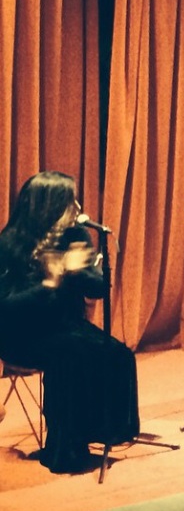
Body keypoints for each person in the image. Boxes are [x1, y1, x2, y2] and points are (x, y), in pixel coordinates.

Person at [0, 171, 140, 474]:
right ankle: (65, 448)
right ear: (47, 206)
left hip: (64, 325)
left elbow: (98, 289)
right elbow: (7, 306)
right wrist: (51, 281)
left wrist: (79, 270)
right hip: (21, 333)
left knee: (118, 354)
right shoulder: (9, 244)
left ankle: (103, 432)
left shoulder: (76, 236)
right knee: (70, 356)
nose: (76, 207)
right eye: (69, 201)